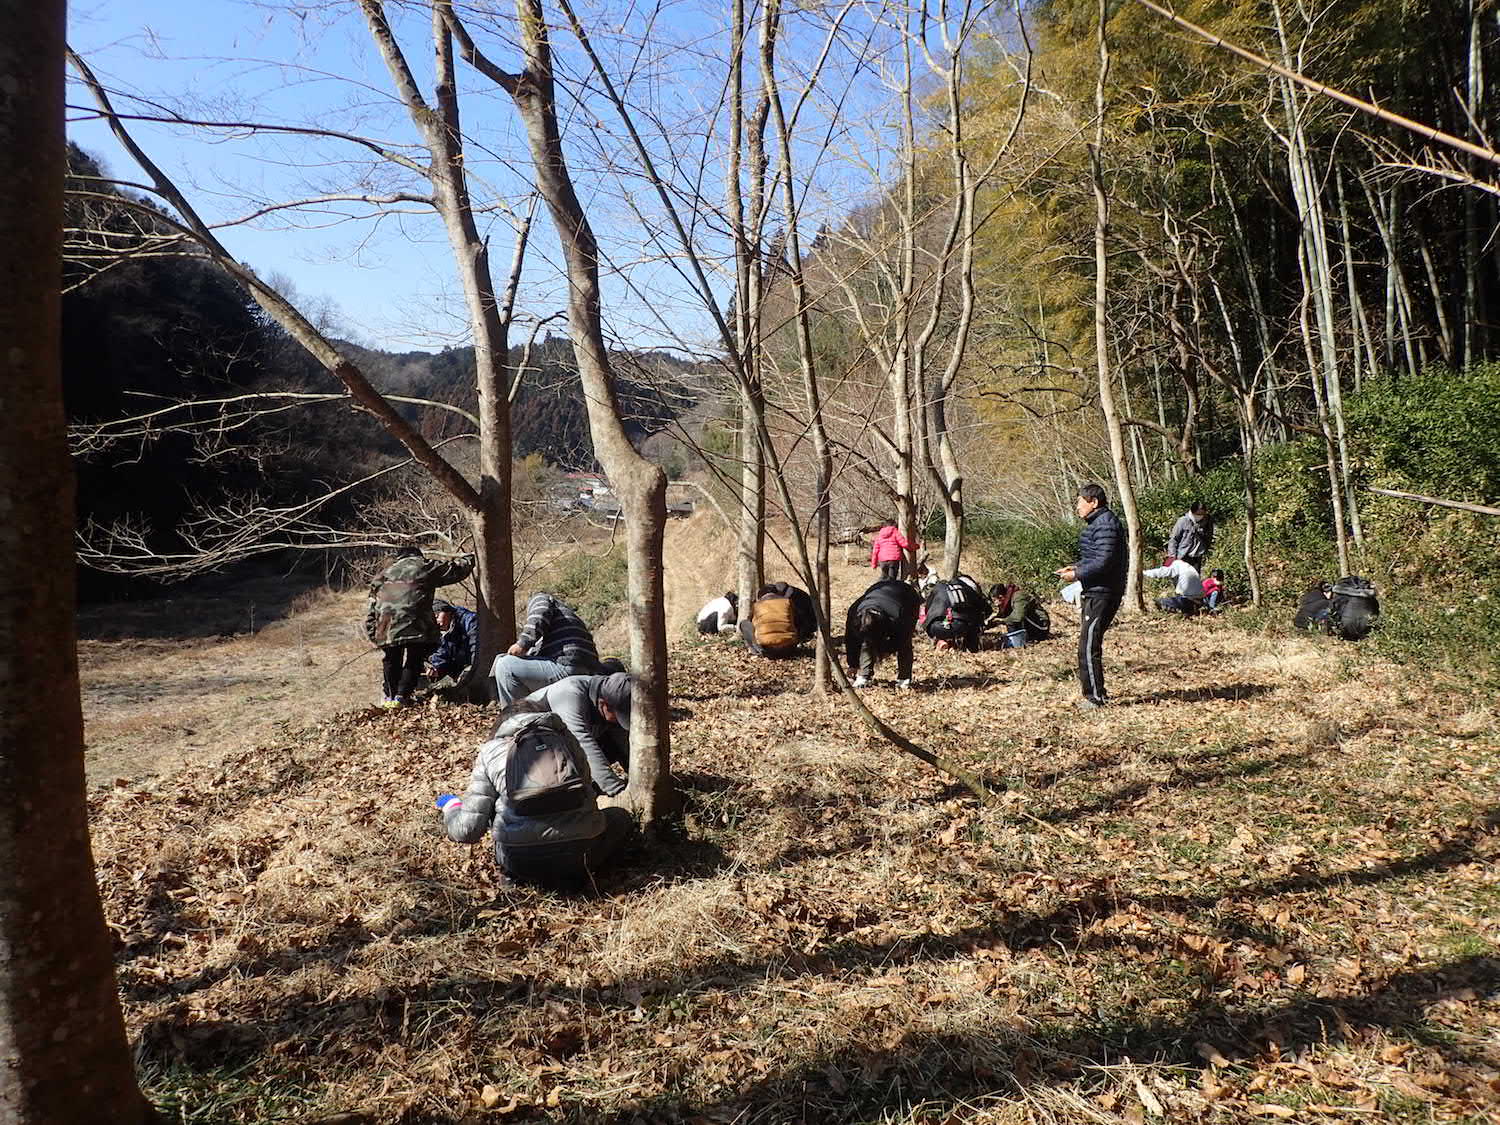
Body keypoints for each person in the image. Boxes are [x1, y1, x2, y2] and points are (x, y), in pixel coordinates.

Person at [436, 709, 632, 890]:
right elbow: (587, 792)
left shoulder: (491, 751)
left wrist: (452, 807)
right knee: (620, 816)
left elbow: (468, 830)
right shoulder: (565, 740)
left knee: (498, 814)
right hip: (584, 854)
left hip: (519, 860)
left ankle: (515, 878)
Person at [364, 546, 476, 708]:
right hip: (416, 624)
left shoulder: (382, 575)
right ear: (417, 555)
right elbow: (454, 570)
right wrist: (470, 558)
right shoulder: (423, 565)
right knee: (415, 657)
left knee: (391, 657)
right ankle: (402, 696)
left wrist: (373, 633)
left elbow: (372, 609)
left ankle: (390, 696)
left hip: (385, 625)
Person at [1056, 483, 1126, 711]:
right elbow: (1096, 557)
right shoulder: (1100, 523)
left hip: (1102, 592)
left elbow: (1105, 562)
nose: (1077, 507)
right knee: (1088, 642)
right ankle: (1095, 694)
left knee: (1088, 645)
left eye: (1080, 502)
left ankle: (1095, 697)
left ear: (1093, 502)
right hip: (1096, 591)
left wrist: (1077, 574)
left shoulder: (1106, 524)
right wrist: (1074, 566)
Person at [517, 672, 634, 797]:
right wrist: (618, 791)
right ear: (603, 704)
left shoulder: (606, 691)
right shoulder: (569, 694)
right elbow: (583, 744)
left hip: (559, 746)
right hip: (528, 753)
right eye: (619, 716)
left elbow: (624, 741)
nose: (618, 722)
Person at [491, 592, 601, 706]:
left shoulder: (540, 597)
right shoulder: (565, 620)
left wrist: (523, 643)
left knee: (505, 665)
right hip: (589, 671)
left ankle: (515, 718)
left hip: (567, 665)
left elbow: (540, 612)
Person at [844, 578, 922, 688]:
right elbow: (850, 639)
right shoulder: (854, 612)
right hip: (878, 589)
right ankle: (864, 676)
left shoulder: (897, 617)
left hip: (907, 596)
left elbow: (902, 640)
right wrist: (853, 664)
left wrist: (887, 650)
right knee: (867, 642)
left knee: (905, 645)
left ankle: (904, 679)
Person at [739, 581, 817, 657]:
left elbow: (749, 622)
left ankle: (756, 650)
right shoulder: (788, 602)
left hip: (768, 651)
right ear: (777, 593)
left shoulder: (756, 606)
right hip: (790, 648)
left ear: (760, 596)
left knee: (744, 623)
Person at [424, 599, 481, 700]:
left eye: (437, 616)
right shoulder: (442, 630)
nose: (437, 622)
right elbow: (443, 651)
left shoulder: (470, 620)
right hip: (456, 666)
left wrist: (472, 669)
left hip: (471, 665)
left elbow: (476, 647)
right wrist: (435, 666)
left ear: (448, 611)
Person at [922, 574, 988, 652]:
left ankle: (942, 641)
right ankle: (970, 647)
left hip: (937, 628)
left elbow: (926, 614)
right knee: (971, 622)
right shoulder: (966, 589)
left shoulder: (937, 589)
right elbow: (983, 609)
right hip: (961, 627)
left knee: (937, 623)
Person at [1165, 501, 1214, 575]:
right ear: (1192, 512)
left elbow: (1209, 536)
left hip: (1197, 558)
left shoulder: (1207, 521)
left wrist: (1206, 548)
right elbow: (1174, 539)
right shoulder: (1183, 521)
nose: (1200, 516)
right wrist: (1172, 557)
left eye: (1202, 514)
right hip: (1183, 556)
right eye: (1198, 514)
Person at [989, 583, 1038, 649]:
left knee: (1012, 619)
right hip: (1029, 625)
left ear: (1001, 597)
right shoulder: (1007, 600)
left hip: (1039, 626)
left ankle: (1026, 638)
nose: (995, 604)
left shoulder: (1018, 597)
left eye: (994, 600)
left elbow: (1018, 616)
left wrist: (1002, 620)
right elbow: (1003, 616)